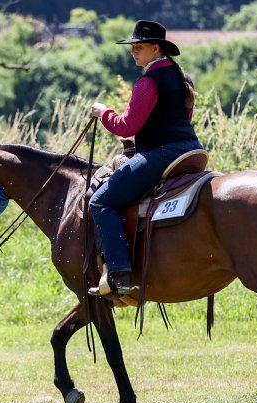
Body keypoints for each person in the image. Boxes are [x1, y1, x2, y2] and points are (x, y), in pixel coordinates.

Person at [87, 19, 205, 298]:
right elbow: (181, 118)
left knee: (100, 201)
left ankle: (119, 272)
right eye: (132, 48)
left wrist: (103, 112)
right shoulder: (181, 78)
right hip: (192, 150)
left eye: (138, 47)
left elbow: (126, 126)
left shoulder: (147, 81)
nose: (133, 52)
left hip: (162, 154)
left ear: (156, 49)